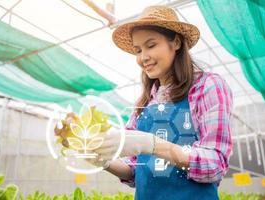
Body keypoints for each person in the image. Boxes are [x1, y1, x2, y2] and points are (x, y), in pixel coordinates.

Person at [59, 5, 233, 200]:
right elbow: (135, 171)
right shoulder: (144, 103)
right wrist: (101, 159)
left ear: (175, 42)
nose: (143, 58)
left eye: (151, 45)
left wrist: (151, 144)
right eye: (138, 50)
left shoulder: (208, 86)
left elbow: (215, 165)